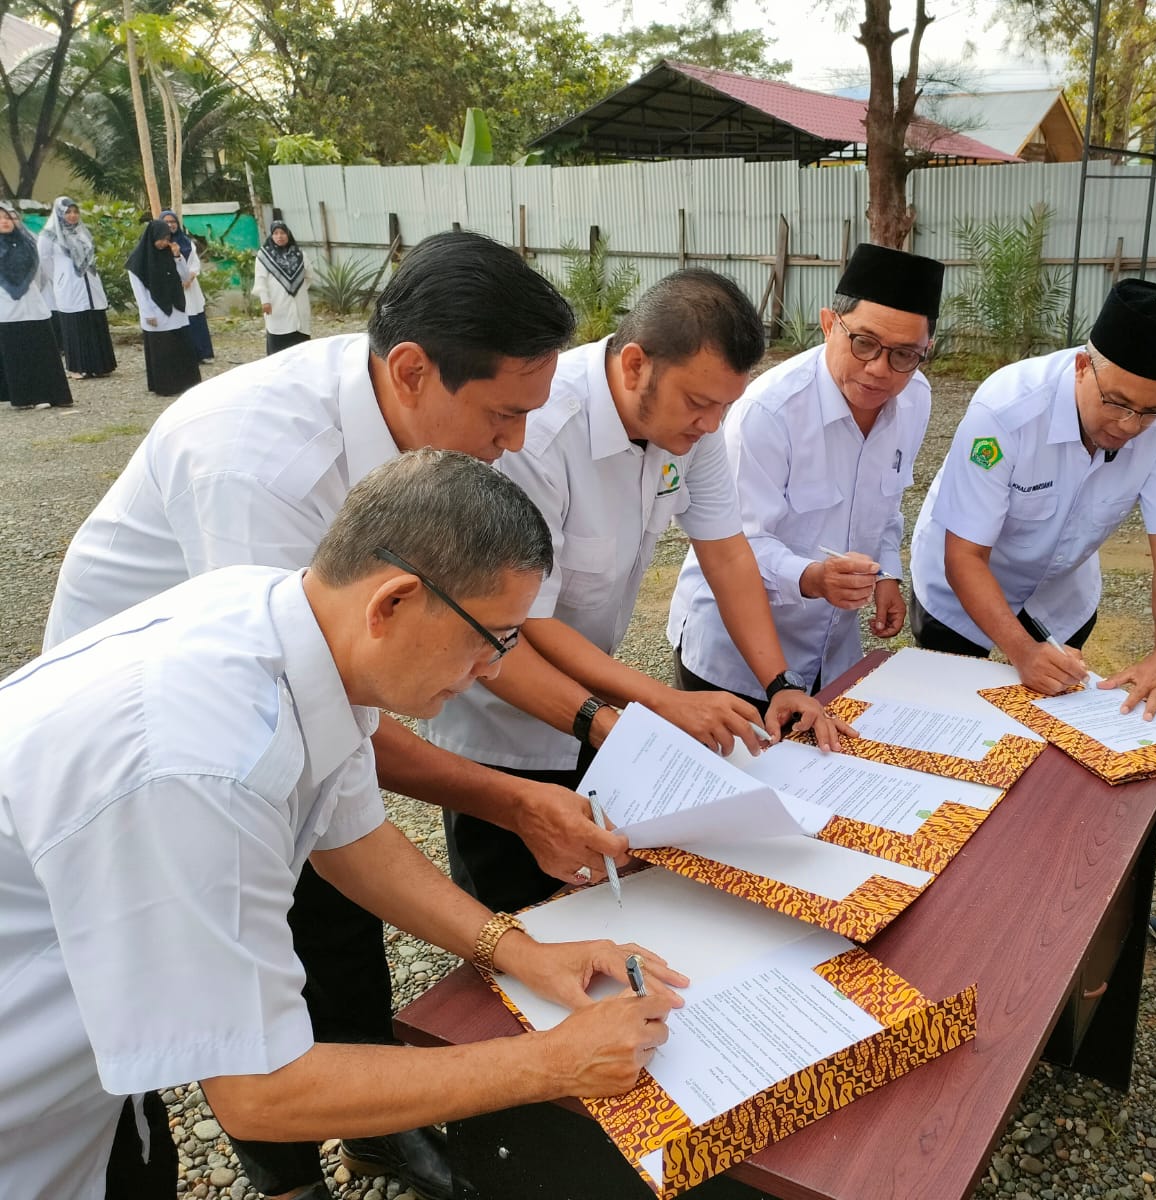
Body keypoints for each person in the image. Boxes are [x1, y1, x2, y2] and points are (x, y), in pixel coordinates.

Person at [45, 230, 627, 1200]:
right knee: (258, 956)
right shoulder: (261, 477)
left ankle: (369, 1134)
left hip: (197, 732)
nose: (517, 442)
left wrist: (513, 933)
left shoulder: (374, 494)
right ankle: (285, 1180)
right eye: (503, 413)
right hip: (129, 761)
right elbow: (255, 1074)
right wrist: (547, 1061)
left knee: (342, 919)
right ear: (410, 371)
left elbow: (347, 807)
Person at [0, 449, 685, 1200]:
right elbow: (262, 1089)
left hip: (79, 1078)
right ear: (391, 603)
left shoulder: (292, 620)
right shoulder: (206, 767)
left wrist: (519, 952)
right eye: (492, 637)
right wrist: (552, 1064)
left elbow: (353, 841)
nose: (494, 671)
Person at [427, 267, 850, 914]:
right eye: (699, 403)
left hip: (595, 713)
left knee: (595, 900)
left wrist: (779, 684)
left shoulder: (691, 426)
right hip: (505, 719)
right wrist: (662, 702)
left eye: (725, 407)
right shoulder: (540, 433)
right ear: (633, 365)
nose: (712, 424)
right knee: (511, 922)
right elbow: (526, 622)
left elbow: (727, 554)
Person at [908, 279, 1156, 719]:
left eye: (1148, 412)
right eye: (1117, 403)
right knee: (951, 713)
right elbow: (965, 557)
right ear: (1083, 366)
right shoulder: (1006, 410)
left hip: (1060, 591)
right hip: (962, 587)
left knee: (1052, 715)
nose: (1129, 426)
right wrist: (1020, 650)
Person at [667, 243, 943, 708]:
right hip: (734, 663)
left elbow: (886, 503)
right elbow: (734, 543)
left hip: (832, 655)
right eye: (864, 343)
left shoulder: (915, 398)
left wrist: (887, 576)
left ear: (925, 351)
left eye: (904, 355)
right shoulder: (769, 411)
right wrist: (812, 578)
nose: (879, 369)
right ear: (829, 323)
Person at [0, 201, 73, 410]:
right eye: (0, 218)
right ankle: (24, 398)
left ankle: (51, 395)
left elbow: (40, 275)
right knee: (17, 355)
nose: (5, 222)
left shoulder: (27, 242)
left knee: (43, 352)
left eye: (7, 217)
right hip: (6, 310)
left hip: (34, 306)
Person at [37, 195, 115, 379]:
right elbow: (44, 260)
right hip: (70, 285)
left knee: (93, 320)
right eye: (68, 212)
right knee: (75, 325)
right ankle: (76, 367)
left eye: (75, 211)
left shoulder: (82, 231)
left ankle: (99, 365)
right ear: (59, 213)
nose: (72, 216)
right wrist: (59, 278)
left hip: (90, 284)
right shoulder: (49, 235)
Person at [125, 218, 201, 397]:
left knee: (181, 347)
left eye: (167, 238)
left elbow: (184, 278)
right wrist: (146, 312)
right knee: (163, 349)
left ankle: (186, 383)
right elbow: (139, 291)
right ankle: (166, 386)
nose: (164, 242)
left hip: (176, 307)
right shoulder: (138, 261)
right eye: (161, 238)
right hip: (155, 310)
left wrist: (177, 257)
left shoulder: (170, 253)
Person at [161, 208, 214, 363]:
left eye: (173, 222)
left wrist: (189, 278)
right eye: (166, 222)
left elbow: (195, 264)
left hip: (189, 287)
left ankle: (202, 353)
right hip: (171, 287)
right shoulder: (160, 244)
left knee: (195, 317)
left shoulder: (187, 242)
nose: (170, 225)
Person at [255, 218, 312, 353]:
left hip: (298, 302)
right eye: (276, 233)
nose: (279, 236)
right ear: (272, 235)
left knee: (300, 340)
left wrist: (298, 291)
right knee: (279, 337)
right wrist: (265, 301)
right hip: (276, 304)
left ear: (288, 234)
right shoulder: (264, 256)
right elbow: (260, 280)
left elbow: (309, 275)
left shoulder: (300, 254)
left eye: (282, 233)